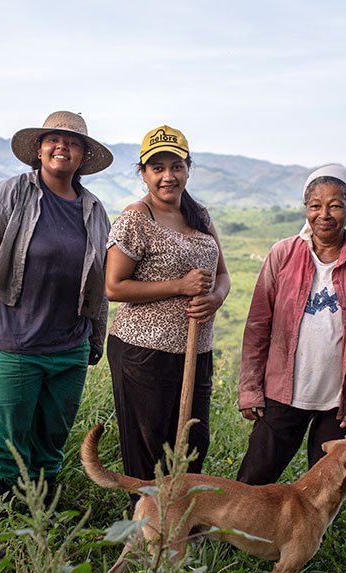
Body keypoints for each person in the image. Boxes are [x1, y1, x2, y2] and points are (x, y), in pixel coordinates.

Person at [0, 110, 114, 514]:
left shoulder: (93, 210)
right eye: (53, 140)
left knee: (51, 439)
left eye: (73, 143)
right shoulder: (8, 195)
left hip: (69, 347)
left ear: (83, 156)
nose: (62, 147)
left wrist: (96, 338)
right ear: (39, 150)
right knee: (4, 439)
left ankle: (42, 520)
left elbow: (99, 281)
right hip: (10, 342)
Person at [236, 163, 346, 485]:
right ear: (305, 208)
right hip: (281, 394)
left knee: (326, 491)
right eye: (315, 205)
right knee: (253, 482)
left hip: (339, 404)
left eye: (335, 206)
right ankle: (234, 524)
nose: (324, 214)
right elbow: (257, 326)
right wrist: (250, 389)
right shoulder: (283, 254)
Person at [104, 125, 230, 506]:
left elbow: (223, 276)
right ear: (143, 173)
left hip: (196, 351)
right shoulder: (136, 219)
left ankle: (181, 523)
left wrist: (214, 299)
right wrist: (179, 286)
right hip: (144, 353)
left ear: (188, 169)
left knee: (193, 444)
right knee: (150, 451)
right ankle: (146, 530)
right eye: (157, 168)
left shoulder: (200, 215)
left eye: (176, 166)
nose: (167, 176)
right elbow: (114, 287)